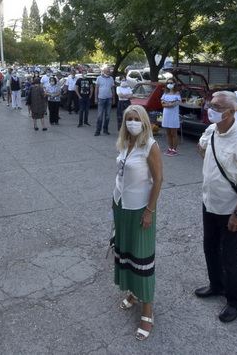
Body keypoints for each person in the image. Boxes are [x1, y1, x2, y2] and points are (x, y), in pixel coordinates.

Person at [195, 91, 237, 323]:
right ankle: (216, 285)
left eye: (218, 107)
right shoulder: (211, 130)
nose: (211, 109)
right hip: (210, 202)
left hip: (232, 209)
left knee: (230, 257)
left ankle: (235, 302)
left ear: (232, 112)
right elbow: (200, 147)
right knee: (210, 248)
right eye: (211, 105)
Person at [112, 105, 163, 341]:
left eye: (136, 119)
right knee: (127, 253)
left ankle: (147, 310)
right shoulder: (124, 144)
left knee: (142, 258)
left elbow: (158, 179)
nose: (132, 122)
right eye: (128, 119)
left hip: (140, 209)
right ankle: (133, 292)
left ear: (143, 121)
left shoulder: (149, 145)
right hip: (121, 205)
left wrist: (149, 211)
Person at [161, 77, 181, 156]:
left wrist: (168, 103)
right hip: (166, 115)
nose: (169, 84)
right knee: (168, 133)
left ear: (174, 83)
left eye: (171, 83)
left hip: (173, 116)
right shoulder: (165, 93)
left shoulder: (177, 93)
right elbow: (162, 103)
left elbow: (174, 104)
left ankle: (174, 149)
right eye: (168, 83)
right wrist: (168, 103)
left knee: (173, 133)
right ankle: (170, 148)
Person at [95, 66, 116, 136]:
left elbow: (113, 89)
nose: (108, 72)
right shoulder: (99, 78)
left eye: (109, 71)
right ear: (104, 72)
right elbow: (96, 88)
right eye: (107, 71)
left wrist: (114, 98)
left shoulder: (111, 79)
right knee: (99, 115)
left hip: (108, 98)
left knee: (107, 116)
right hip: (101, 98)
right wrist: (96, 98)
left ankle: (105, 129)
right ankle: (98, 130)